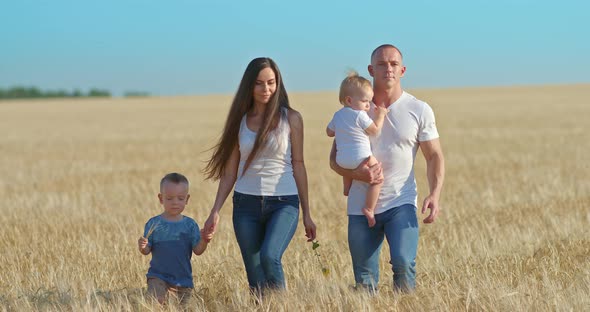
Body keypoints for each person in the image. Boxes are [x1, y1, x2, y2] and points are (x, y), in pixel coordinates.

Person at [330, 44, 445, 292]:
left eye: (393, 64)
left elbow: (434, 155)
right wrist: (355, 174)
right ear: (371, 69)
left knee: (404, 264)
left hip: (400, 202)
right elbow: (334, 160)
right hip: (361, 206)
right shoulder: (353, 111)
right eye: (381, 64)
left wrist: (434, 193)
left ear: (402, 70)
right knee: (364, 278)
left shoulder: (419, 109)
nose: (388, 69)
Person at [202, 57, 317, 296]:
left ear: (278, 84)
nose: (266, 89)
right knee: (255, 276)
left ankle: (282, 305)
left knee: (269, 256)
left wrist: (307, 213)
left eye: (271, 83)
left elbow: (299, 164)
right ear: (249, 86)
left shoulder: (292, 119)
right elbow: (230, 172)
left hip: (284, 202)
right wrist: (215, 210)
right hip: (246, 204)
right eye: (259, 83)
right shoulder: (240, 122)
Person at [138, 172, 212, 305]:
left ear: (187, 199)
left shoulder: (190, 225)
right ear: (161, 198)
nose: (175, 202)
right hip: (158, 276)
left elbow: (198, 250)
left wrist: (204, 240)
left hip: (183, 280)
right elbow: (147, 250)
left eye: (180, 198)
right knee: (156, 302)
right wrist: (143, 247)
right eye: (170, 198)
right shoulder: (153, 224)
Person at [326, 72, 386, 227]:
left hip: (342, 160)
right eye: (365, 101)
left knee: (348, 165)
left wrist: (341, 130)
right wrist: (381, 115)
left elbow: (329, 132)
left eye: (370, 101)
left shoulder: (337, 115)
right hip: (361, 157)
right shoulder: (360, 115)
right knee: (378, 178)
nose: (368, 105)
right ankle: (369, 208)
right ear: (349, 100)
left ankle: (347, 188)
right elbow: (374, 130)